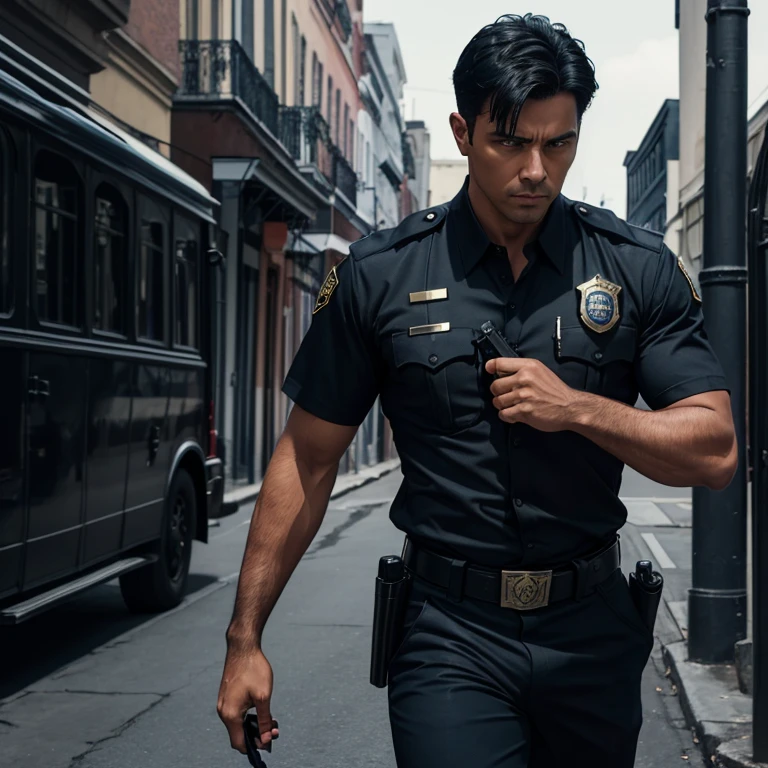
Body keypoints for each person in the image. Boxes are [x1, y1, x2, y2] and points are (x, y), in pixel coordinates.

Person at [217, 13, 737, 768]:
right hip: (449, 636)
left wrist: (579, 410)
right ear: (463, 134)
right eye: (512, 142)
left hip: (591, 632)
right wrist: (245, 640)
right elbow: (307, 459)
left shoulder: (634, 266)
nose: (537, 170)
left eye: (559, 143)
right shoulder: (380, 274)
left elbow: (715, 447)